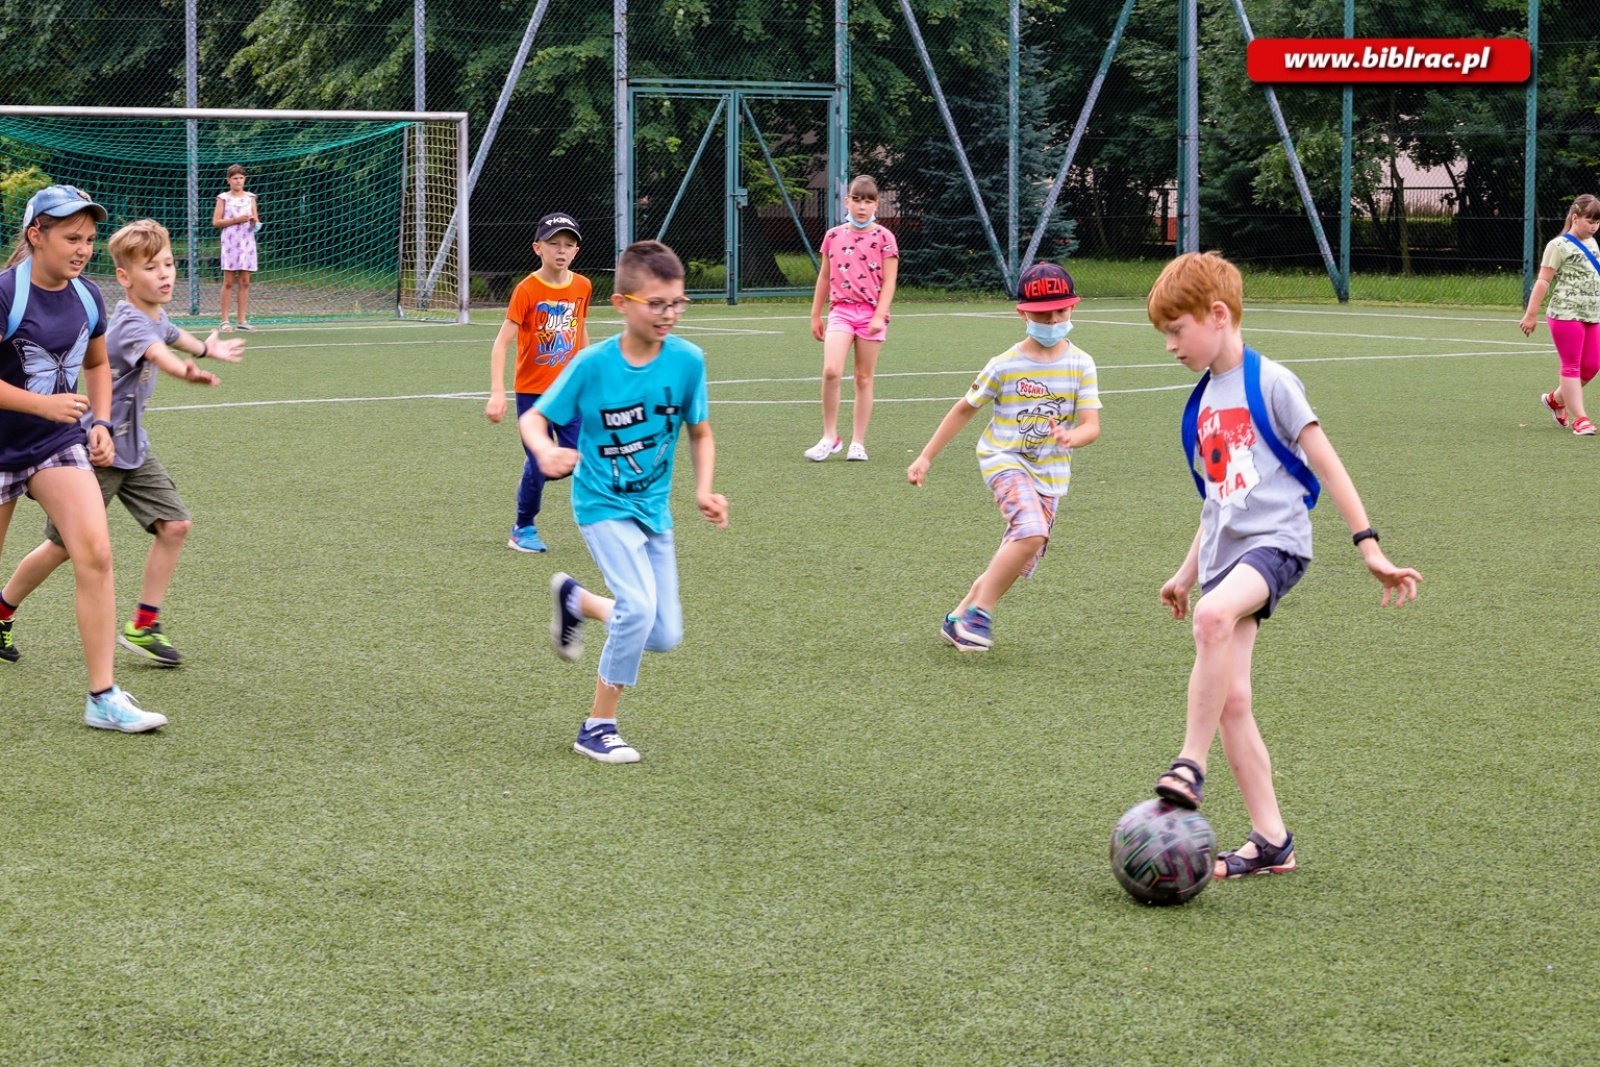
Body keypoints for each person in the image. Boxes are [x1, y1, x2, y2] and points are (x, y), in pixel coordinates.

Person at [1147, 251, 1421, 879]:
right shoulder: (1198, 405)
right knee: (1233, 699)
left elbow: (1327, 463)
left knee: (1214, 619)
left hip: (1277, 546)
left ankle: (1189, 764)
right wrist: (1185, 573)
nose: (1170, 346)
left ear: (1217, 315)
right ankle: (1273, 841)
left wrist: (1368, 546)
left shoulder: (1271, 382)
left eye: (1176, 329)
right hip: (1225, 558)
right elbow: (1218, 502)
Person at [1, 219, 245, 668]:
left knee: (174, 525)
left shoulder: (157, 314)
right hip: (100, 450)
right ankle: (3, 607)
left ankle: (144, 624)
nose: (166, 274)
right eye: (152, 268)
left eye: (169, 264)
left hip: (134, 446)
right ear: (125, 278)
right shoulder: (131, 321)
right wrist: (188, 371)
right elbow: (159, 353)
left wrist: (206, 350)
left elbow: (173, 336)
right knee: (64, 548)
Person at [522, 240, 727, 764]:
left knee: (662, 634)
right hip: (600, 503)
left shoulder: (688, 361)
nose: (668, 314)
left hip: (654, 511)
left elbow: (699, 433)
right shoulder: (593, 365)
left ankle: (578, 601)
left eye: (677, 303)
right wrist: (546, 451)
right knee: (638, 608)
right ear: (621, 303)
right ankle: (598, 725)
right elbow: (534, 418)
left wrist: (704, 489)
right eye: (655, 304)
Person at [0, 185, 167, 731]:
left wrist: (97, 420)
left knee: (94, 551)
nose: (82, 249)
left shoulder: (88, 297)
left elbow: (96, 364)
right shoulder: (5, 294)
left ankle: (103, 697)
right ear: (35, 235)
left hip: (54, 444)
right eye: (71, 237)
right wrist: (43, 403)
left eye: (90, 239)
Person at [906, 263, 1100, 651]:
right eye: (1043, 313)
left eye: (1060, 311)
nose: (1052, 320)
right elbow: (965, 408)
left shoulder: (1081, 363)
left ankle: (959, 618)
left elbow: (1091, 426)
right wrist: (926, 456)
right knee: (1031, 531)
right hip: (1004, 458)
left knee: (1017, 553)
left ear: (1073, 309)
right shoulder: (1005, 364)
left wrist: (1071, 436)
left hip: (1051, 474)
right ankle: (982, 613)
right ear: (1023, 312)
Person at [485, 212, 592, 552]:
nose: (561, 251)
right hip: (534, 395)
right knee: (540, 463)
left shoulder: (582, 286)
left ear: (576, 251)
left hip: (570, 391)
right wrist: (498, 392)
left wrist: (590, 374)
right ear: (538, 248)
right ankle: (523, 527)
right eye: (554, 244)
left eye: (568, 245)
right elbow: (502, 342)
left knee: (574, 458)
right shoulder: (527, 289)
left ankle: (605, 524)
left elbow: (579, 330)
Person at [805, 175, 899, 462]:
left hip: (871, 313)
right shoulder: (833, 236)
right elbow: (824, 276)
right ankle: (830, 437)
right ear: (847, 202)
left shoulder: (885, 238)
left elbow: (890, 281)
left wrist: (879, 315)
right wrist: (815, 314)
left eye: (868, 201)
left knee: (863, 377)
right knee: (831, 371)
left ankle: (858, 442)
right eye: (857, 200)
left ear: (876, 205)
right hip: (841, 312)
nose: (862, 206)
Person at [1520, 193, 1600, 436]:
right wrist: (1531, 314)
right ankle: (1581, 419)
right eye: (1590, 221)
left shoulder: (1593, 244)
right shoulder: (1557, 246)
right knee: (1572, 366)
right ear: (1575, 218)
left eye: (1598, 222)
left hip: (1592, 314)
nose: (1595, 227)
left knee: (1591, 366)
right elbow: (1543, 281)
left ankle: (1555, 400)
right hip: (1565, 313)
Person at [213, 163, 260, 331]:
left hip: (247, 242)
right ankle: (225, 320)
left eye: (241, 178)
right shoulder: (223, 198)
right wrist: (235, 220)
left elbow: (257, 223)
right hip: (231, 243)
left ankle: (242, 321)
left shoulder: (250, 197)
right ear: (229, 180)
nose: (238, 181)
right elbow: (216, 221)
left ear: (244, 179)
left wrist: (254, 222)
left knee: (245, 281)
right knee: (229, 281)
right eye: (235, 178)